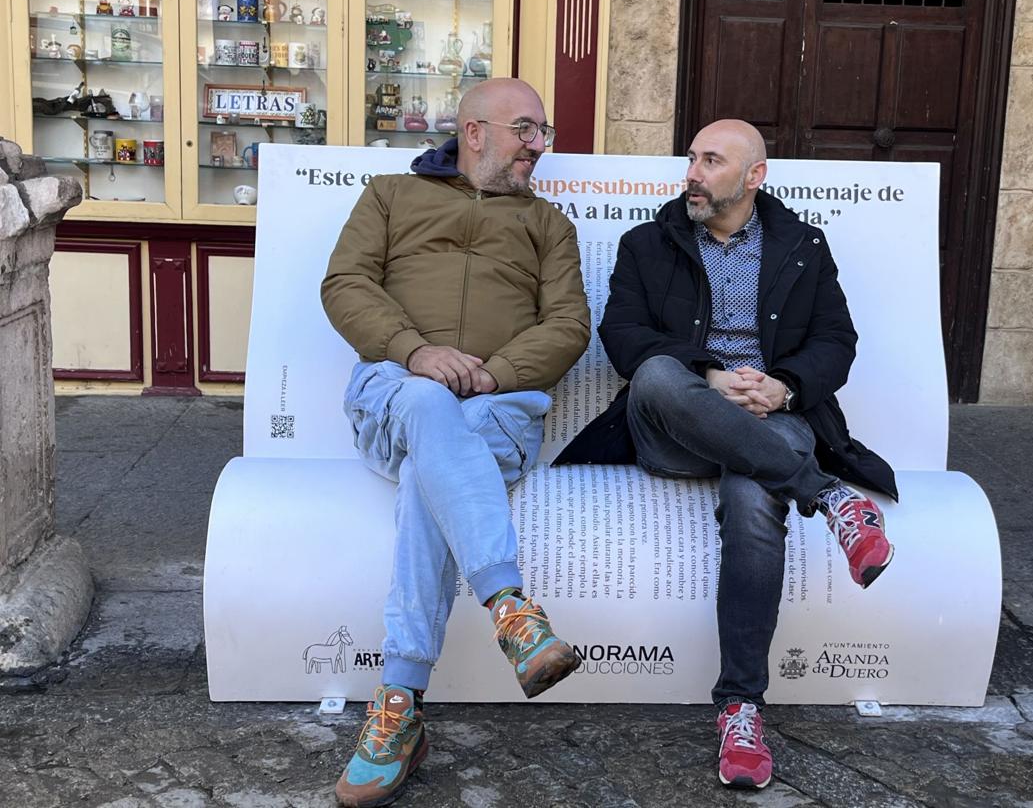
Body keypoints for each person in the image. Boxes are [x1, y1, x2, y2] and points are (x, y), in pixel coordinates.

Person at [556, 119, 899, 790]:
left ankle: (741, 709)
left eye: (711, 161)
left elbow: (837, 338)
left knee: (751, 500)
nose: (692, 173)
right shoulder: (647, 244)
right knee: (655, 374)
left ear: (754, 175)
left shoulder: (802, 246)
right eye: (691, 159)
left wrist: (785, 384)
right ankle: (830, 498)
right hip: (680, 422)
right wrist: (710, 375)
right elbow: (623, 335)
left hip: (775, 420)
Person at [320, 78, 590, 808]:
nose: (540, 144)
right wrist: (414, 352)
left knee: (427, 476)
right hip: (395, 393)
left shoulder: (549, 226)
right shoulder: (389, 197)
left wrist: (495, 374)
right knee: (424, 400)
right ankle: (511, 606)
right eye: (526, 129)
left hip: (494, 413)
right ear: (474, 131)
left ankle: (398, 706)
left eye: (544, 132)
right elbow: (345, 283)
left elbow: (569, 326)